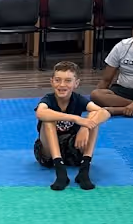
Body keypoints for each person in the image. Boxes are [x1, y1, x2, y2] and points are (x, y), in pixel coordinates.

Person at [36, 61, 110, 191]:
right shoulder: (48, 99)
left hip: (72, 149)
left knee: (94, 118)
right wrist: (76, 118)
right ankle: (60, 172)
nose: (62, 85)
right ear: (52, 81)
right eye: (58, 80)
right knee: (48, 119)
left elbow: (104, 112)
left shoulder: (78, 99)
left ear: (76, 83)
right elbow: (40, 113)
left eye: (68, 81)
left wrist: (85, 126)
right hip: (47, 153)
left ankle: (84, 169)